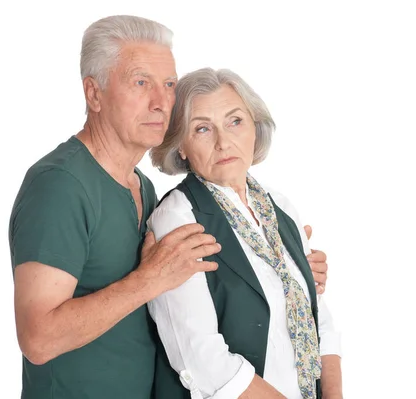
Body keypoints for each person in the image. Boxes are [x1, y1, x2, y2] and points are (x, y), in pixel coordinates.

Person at [8, 15, 330, 399]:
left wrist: (284, 276)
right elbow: (38, 339)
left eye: (169, 85)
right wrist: (149, 279)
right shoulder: (60, 185)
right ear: (94, 94)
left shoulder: (140, 186)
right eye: (141, 83)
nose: (162, 102)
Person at [147, 68, 343, 399]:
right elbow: (201, 359)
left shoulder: (278, 207)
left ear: (255, 128)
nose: (224, 142)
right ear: (180, 145)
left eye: (235, 121)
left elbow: (317, 317)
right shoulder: (178, 219)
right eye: (203, 129)